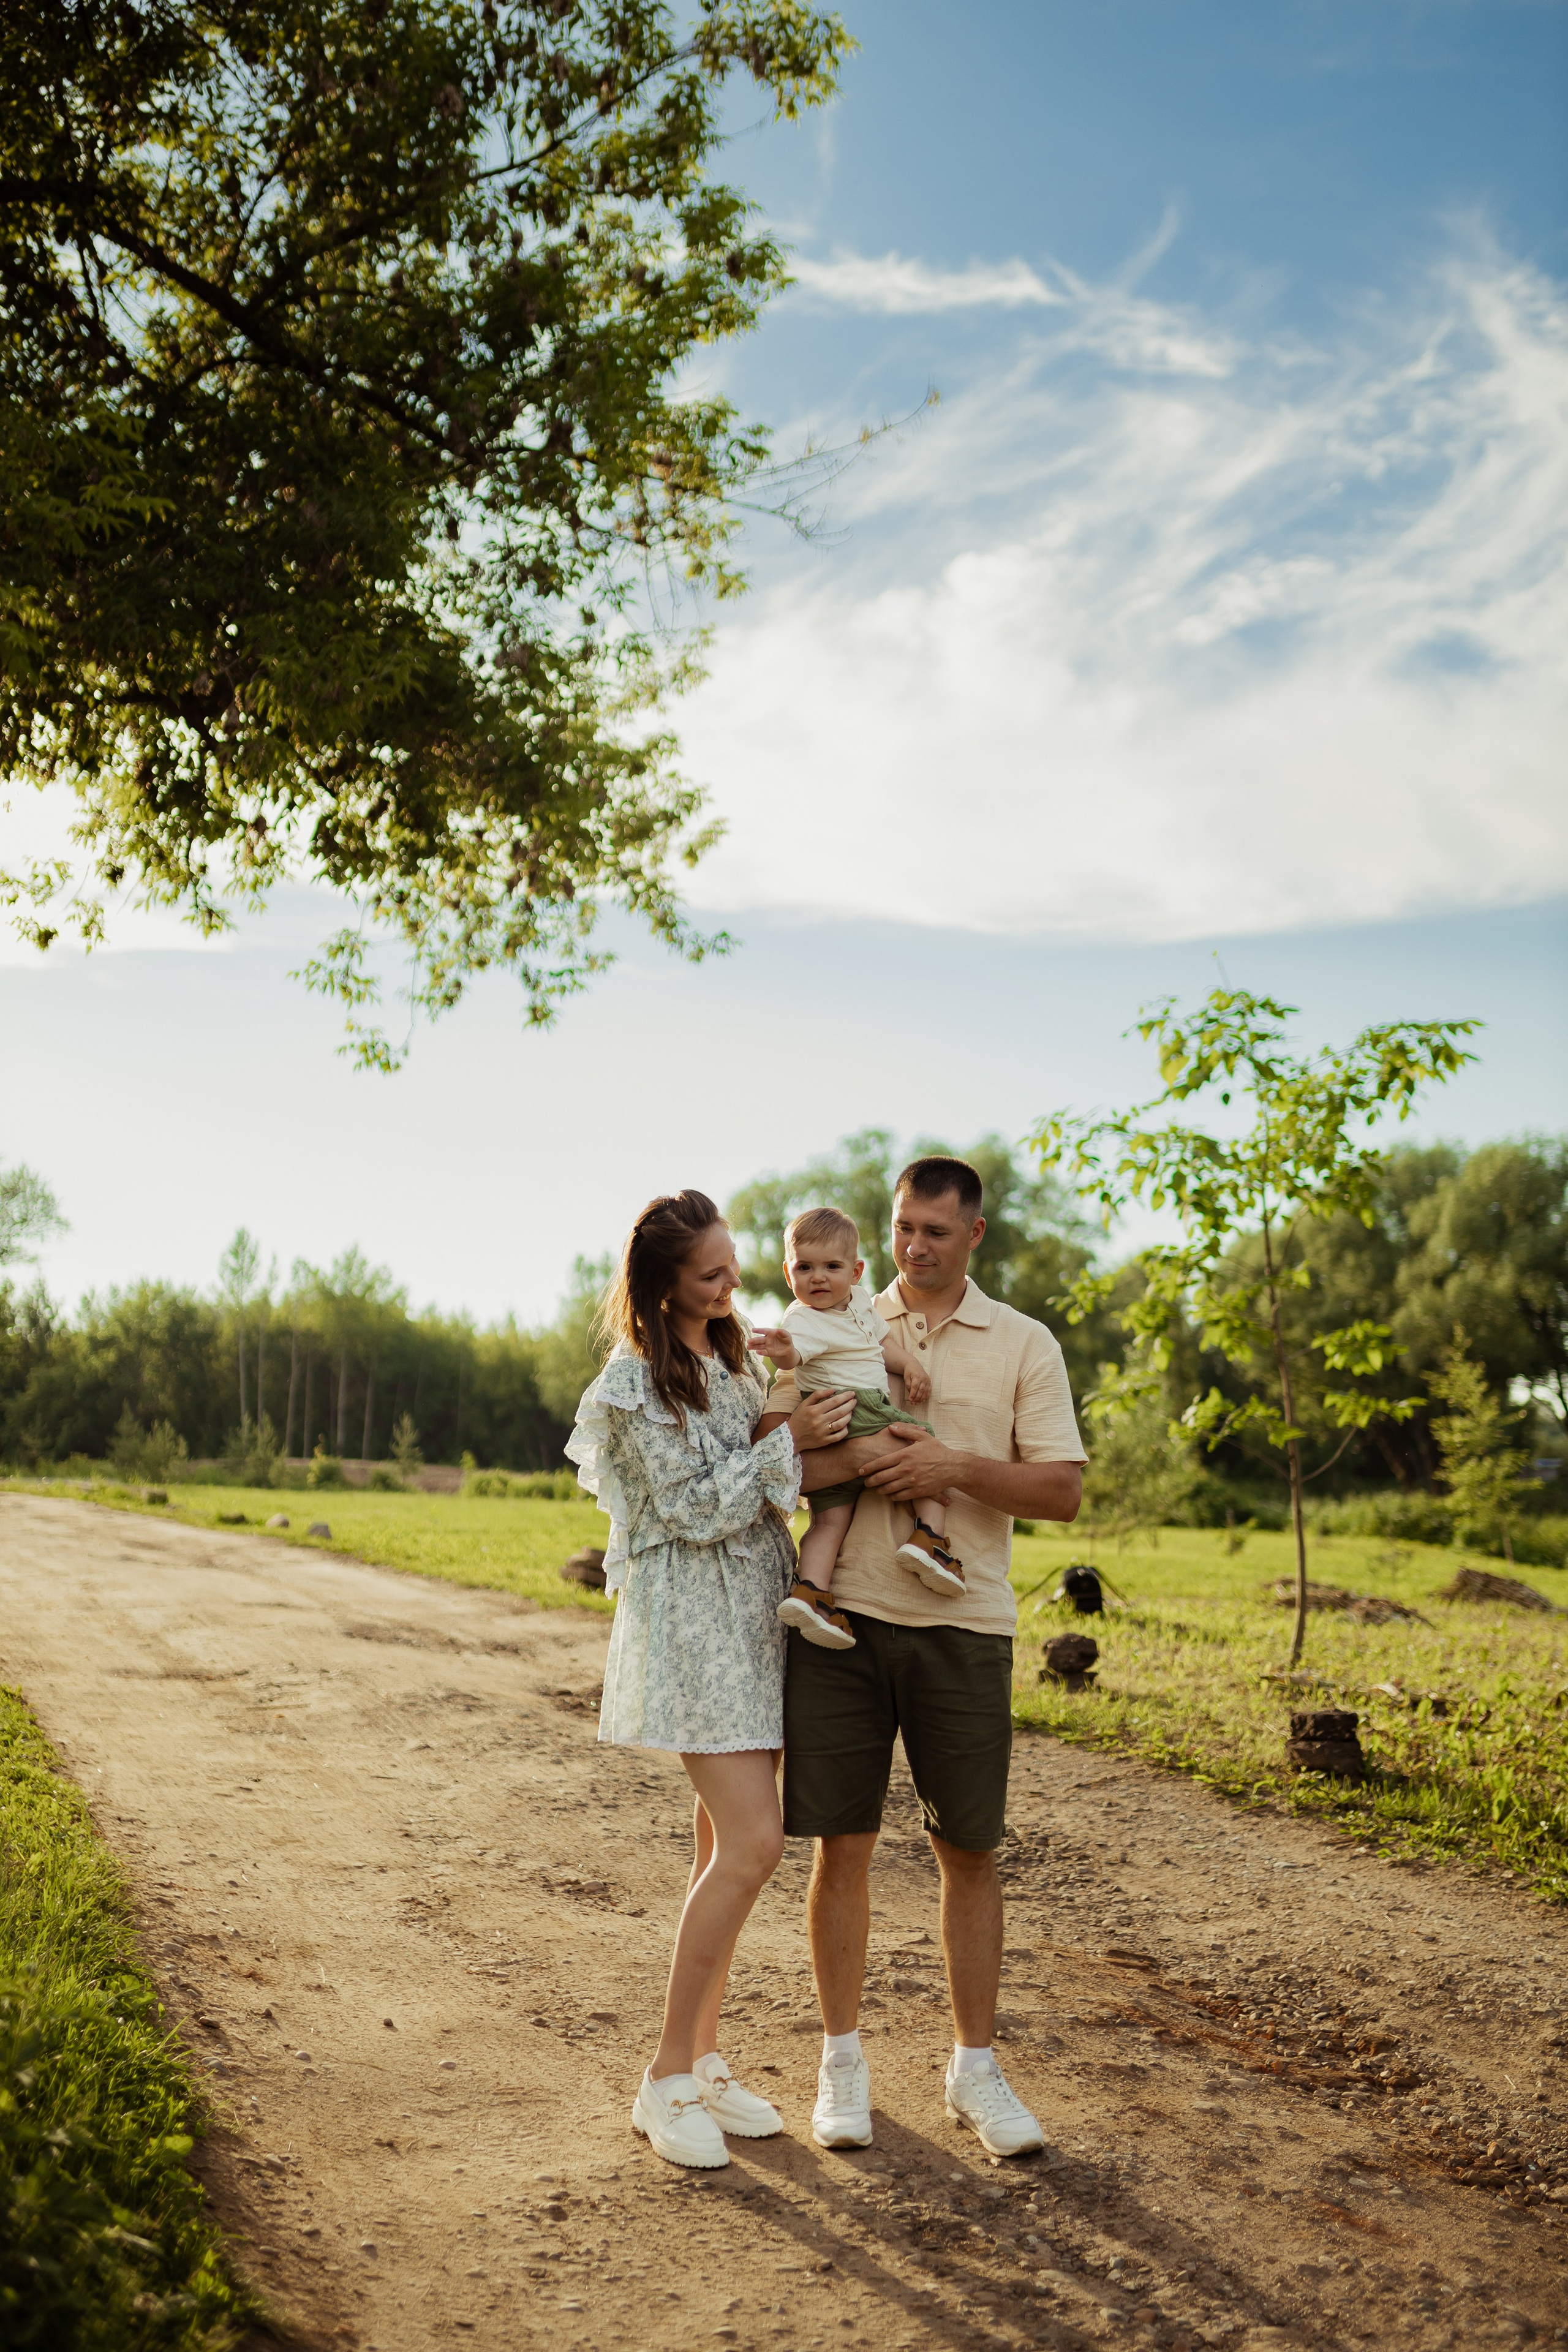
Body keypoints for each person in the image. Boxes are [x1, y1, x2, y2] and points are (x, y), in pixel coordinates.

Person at [756, 1155, 1087, 2160]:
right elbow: (777, 1465)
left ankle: (974, 2069)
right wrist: (841, 1452)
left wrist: (952, 1465)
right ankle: (842, 2061)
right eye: (903, 1228)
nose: (915, 1247)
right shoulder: (843, 1315)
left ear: (974, 1234)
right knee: (839, 1844)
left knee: (971, 1851)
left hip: (967, 1628)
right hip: (844, 1621)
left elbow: (1062, 1491)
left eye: (936, 1231)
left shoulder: (1025, 1344)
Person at [565, 1189, 854, 2169]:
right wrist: (789, 1441)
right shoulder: (632, 1384)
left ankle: (704, 2055)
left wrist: (805, 1415)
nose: (734, 1285)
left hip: (758, 1611)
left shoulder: (731, 1354)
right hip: (695, 1624)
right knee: (755, 1845)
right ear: (660, 1287)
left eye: (734, 1265)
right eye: (712, 1274)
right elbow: (692, 1510)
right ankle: (662, 2080)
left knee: (716, 1851)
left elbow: (774, 1473)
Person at [752, 1205, 964, 1652]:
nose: (819, 1278)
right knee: (923, 1448)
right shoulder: (803, 1320)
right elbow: (797, 1356)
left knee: (831, 1518)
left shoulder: (862, 1305)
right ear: (789, 1276)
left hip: (832, 1420)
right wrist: (783, 1352)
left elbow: (882, 1344)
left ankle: (811, 1591)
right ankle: (930, 1537)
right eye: (804, 1267)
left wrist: (910, 1366)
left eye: (832, 1267)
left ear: (856, 1271)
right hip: (854, 1406)